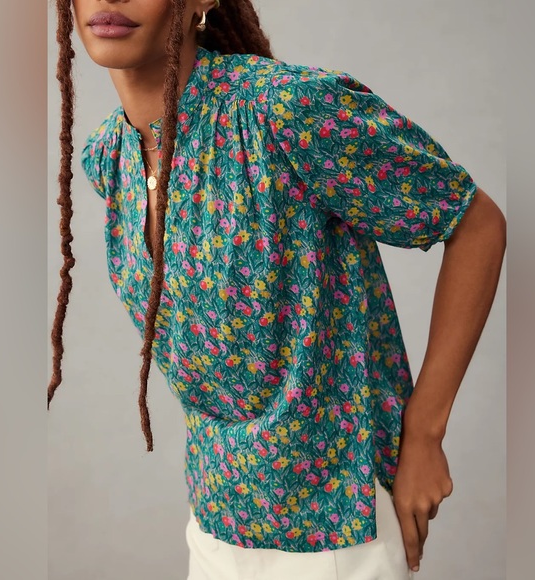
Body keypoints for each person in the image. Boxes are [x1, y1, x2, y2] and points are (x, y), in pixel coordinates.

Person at [48, 1, 506, 578]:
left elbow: (475, 224)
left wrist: (424, 435)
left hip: (337, 527)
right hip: (217, 524)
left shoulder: (283, 110)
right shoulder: (109, 157)